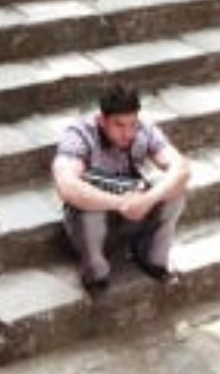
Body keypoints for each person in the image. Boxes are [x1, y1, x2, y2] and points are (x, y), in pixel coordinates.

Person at [51, 84, 190, 296]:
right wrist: (120, 203)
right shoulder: (79, 134)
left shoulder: (145, 129)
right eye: (119, 125)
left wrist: (148, 199)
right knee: (86, 209)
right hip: (95, 217)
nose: (128, 133)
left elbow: (181, 168)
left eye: (132, 124)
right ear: (101, 120)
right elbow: (66, 185)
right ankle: (95, 274)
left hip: (133, 206)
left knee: (174, 192)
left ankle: (152, 259)